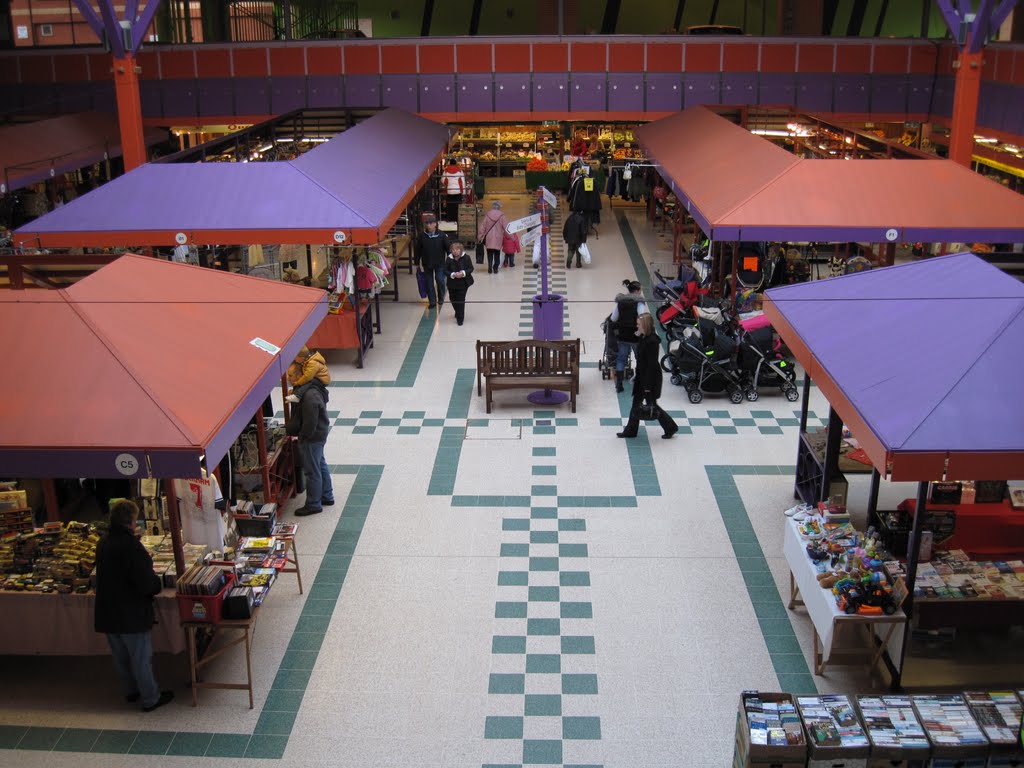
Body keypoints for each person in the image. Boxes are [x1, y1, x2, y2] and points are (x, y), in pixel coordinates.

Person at [94, 500, 174, 712]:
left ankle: (131, 691)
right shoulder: (132, 547)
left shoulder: (103, 542)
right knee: (140, 658)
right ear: (131, 521)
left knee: (121, 657)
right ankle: (150, 698)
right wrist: (157, 584)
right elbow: (146, 583)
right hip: (131, 613)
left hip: (108, 611)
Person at [617, 314, 678, 439]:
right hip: (642, 377)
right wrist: (638, 335)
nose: (637, 326)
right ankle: (631, 430)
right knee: (637, 404)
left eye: (639, 324)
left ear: (645, 325)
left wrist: (648, 386)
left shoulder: (652, 342)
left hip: (649, 379)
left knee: (651, 405)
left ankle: (670, 427)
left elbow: (651, 365)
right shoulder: (645, 337)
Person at [286, 378, 334, 516]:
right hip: (319, 433)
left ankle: (313, 504)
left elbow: (310, 422)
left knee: (312, 471)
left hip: (312, 438)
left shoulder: (309, 396)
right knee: (319, 464)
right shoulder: (313, 388)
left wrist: (303, 436)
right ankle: (327, 495)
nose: (290, 378)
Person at [609, 279, 649, 393]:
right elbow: (641, 317)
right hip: (635, 336)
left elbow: (613, 318)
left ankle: (619, 385)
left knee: (621, 359)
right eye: (640, 290)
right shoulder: (639, 302)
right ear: (636, 291)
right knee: (639, 358)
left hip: (622, 335)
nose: (641, 292)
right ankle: (638, 381)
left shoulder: (620, 301)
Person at [415, 214, 451, 309]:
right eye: (427, 223)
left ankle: (441, 297)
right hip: (427, 263)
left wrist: (449, 260)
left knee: (440, 280)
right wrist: (416, 262)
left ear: (435, 224)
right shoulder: (422, 236)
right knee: (429, 283)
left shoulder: (442, 235)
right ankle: (432, 302)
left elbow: (448, 248)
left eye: (431, 223)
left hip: (440, 263)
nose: (429, 225)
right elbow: (417, 249)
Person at [444, 240, 474, 326]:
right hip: (452, 283)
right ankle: (457, 311)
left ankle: (460, 319)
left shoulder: (466, 257)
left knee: (460, 301)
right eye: (453, 249)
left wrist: (463, 273)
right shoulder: (449, 259)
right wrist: (453, 274)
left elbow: (470, 268)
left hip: (463, 283)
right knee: (452, 299)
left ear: (461, 250)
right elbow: (445, 270)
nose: (455, 251)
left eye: (457, 249)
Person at [478, 200, 509, 274]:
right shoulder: (502, 216)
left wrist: (480, 236)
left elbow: (482, 227)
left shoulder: (487, 215)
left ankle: (489, 267)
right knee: (497, 254)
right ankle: (495, 268)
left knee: (489, 253)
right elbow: (506, 228)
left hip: (489, 238)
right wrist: (511, 237)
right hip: (498, 238)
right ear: (499, 208)